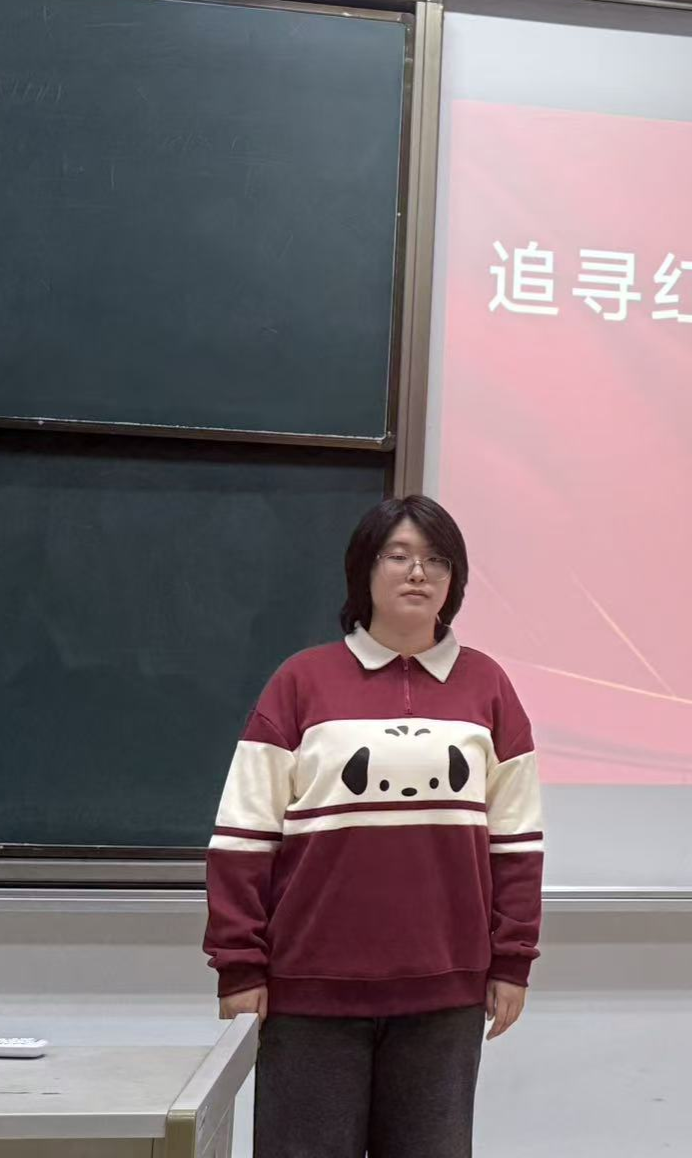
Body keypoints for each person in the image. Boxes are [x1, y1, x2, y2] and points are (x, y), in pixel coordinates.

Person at [203, 495, 544, 1158]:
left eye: (437, 560)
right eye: (399, 555)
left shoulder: (489, 686)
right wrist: (240, 967)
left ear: (454, 579)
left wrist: (513, 960)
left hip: (445, 994)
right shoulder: (301, 681)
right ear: (365, 569)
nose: (419, 572)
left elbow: (517, 844)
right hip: (309, 992)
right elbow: (243, 838)